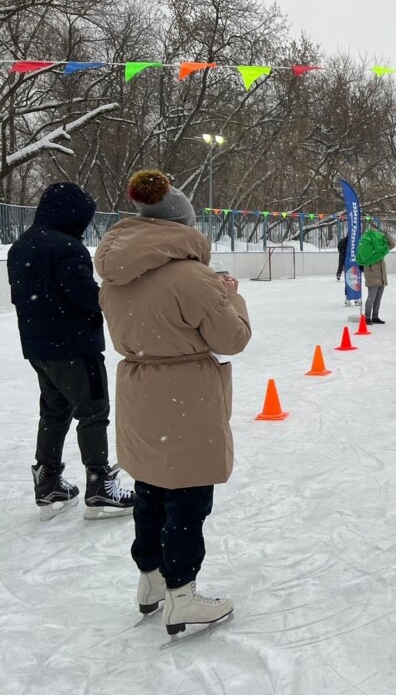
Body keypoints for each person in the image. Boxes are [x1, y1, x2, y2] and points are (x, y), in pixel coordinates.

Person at [95, 169, 251, 635]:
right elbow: (233, 338)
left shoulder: (116, 274)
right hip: (186, 392)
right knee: (188, 497)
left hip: (139, 387)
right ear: (181, 227)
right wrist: (232, 299)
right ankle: (181, 594)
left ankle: (151, 578)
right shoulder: (192, 277)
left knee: (151, 489)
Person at [7, 182, 135, 521]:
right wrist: (108, 298)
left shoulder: (22, 245)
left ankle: (47, 478)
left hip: (38, 346)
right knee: (93, 409)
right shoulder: (68, 248)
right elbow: (84, 297)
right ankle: (99, 483)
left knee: (55, 409)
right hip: (75, 345)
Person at [359, 225, 395, 325]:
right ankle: (367, 317)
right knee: (371, 297)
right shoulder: (368, 250)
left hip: (381, 275)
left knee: (378, 298)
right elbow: (362, 258)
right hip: (372, 275)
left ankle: (375, 316)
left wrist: (386, 234)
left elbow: (392, 245)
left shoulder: (381, 249)